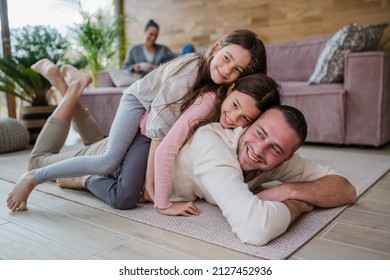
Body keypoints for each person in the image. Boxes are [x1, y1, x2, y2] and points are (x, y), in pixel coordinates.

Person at [7, 29, 268, 212]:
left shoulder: (219, 89)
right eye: (226, 59)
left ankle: (72, 86)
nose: (226, 70)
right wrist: (155, 191)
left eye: (237, 70)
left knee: (110, 155)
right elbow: (159, 132)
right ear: (216, 48)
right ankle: (35, 176)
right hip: (137, 104)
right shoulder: (190, 71)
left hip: (150, 122)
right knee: (109, 159)